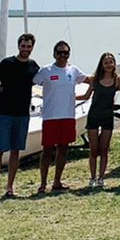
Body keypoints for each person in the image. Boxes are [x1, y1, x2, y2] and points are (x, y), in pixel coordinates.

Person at [0, 32, 39, 201]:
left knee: (16, 151)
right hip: (4, 113)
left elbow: (44, 82)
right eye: (23, 46)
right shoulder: (7, 63)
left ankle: (10, 188)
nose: (26, 49)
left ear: (32, 48)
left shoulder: (33, 66)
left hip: (22, 115)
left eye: (29, 47)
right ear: (18, 46)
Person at [36, 40, 87, 194]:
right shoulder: (46, 70)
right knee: (47, 151)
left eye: (65, 53)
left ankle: (57, 181)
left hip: (68, 115)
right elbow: (30, 83)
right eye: (60, 53)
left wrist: (110, 78)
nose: (63, 56)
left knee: (63, 149)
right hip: (50, 117)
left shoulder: (74, 70)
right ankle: (43, 183)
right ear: (54, 54)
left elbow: (90, 80)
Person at [78, 52, 118, 188]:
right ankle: (92, 178)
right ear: (102, 64)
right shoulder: (95, 80)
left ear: (114, 64)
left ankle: (101, 178)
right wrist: (70, 97)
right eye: (106, 62)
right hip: (94, 116)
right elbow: (85, 96)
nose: (108, 65)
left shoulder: (117, 79)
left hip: (108, 117)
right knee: (93, 149)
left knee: (104, 149)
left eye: (111, 62)